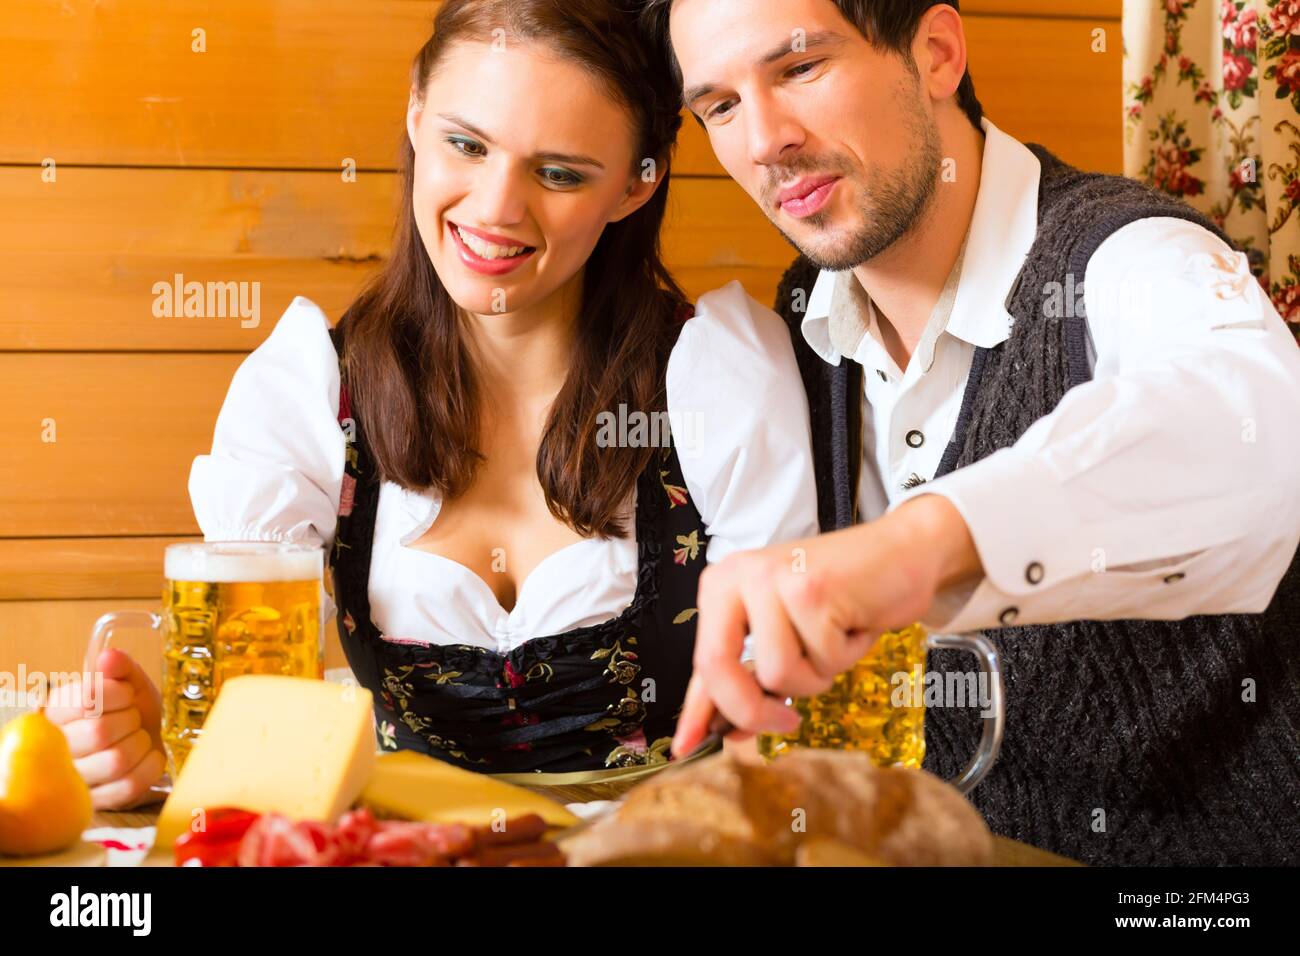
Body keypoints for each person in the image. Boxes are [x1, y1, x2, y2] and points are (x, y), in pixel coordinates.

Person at [50, 0, 818, 809]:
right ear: (416, 112)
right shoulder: (311, 391)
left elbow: (784, 724)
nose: (494, 208)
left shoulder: (719, 377)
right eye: (466, 144)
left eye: (558, 173)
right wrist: (141, 744)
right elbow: (249, 731)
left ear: (635, 184)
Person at [641, 0, 1300, 865]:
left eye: (800, 68)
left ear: (937, 54)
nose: (764, 139)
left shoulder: (1132, 252)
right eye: (720, 106)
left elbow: (1254, 425)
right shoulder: (802, 316)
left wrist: (916, 547)